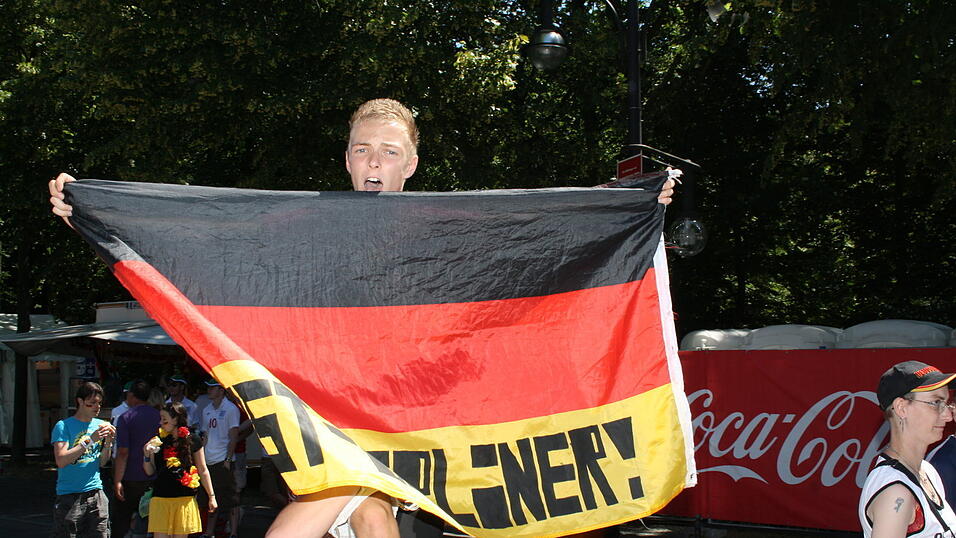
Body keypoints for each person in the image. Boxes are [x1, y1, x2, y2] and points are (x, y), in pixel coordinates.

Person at [48, 98, 677, 537]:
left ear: (411, 165)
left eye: (388, 152)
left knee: (370, 520)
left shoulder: (447, 232)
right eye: (362, 150)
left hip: (414, 427)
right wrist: (94, 213)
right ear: (347, 159)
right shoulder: (302, 229)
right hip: (331, 418)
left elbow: (536, 243)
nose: (374, 162)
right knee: (363, 516)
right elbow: (203, 243)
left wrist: (625, 205)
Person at [859, 360, 956, 537]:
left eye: (946, 403)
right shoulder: (896, 492)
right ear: (901, 408)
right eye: (936, 402)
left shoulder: (927, 471)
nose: (948, 415)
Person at [51, 381, 116, 538]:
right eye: (91, 403)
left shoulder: (100, 425)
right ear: (80, 401)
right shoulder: (63, 426)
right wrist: (90, 440)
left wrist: (108, 443)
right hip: (70, 494)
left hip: (95, 492)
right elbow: (61, 460)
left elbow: (102, 463)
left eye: (99, 403)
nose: (96, 407)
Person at [143, 401, 216, 537]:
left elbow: (203, 470)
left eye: (164, 420)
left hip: (184, 499)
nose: (160, 423)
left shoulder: (193, 440)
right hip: (161, 499)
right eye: (160, 419)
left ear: (176, 419)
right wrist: (146, 455)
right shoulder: (158, 440)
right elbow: (149, 471)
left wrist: (211, 496)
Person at [113, 379, 162, 538]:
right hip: (154, 474)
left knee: (123, 518)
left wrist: (117, 480)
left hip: (131, 475)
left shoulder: (126, 417)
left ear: (132, 395)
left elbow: (123, 452)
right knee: (150, 519)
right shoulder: (159, 416)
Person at [200, 378, 241, 537]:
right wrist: (201, 458)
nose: (209, 390)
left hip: (223, 460)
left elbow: (234, 436)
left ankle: (234, 532)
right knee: (211, 496)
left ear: (221, 390)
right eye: (208, 387)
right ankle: (209, 532)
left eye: (212, 387)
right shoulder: (206, 409)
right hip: (209, 459)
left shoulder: (231, 409)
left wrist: (228, 459)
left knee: (231, 498)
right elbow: (205, 435)